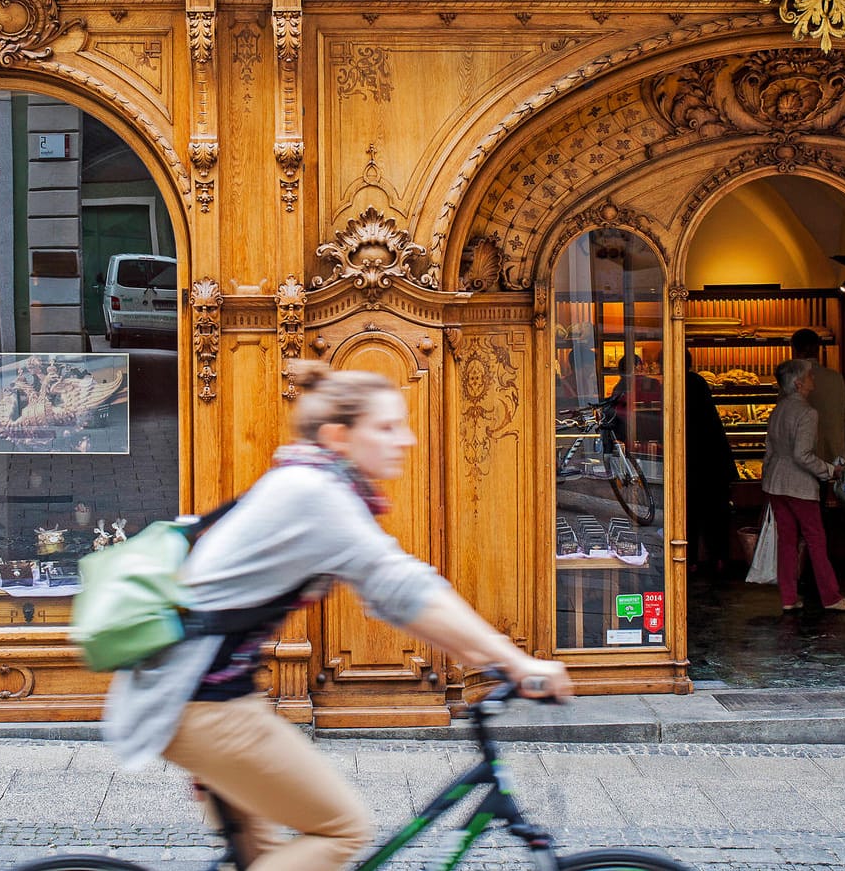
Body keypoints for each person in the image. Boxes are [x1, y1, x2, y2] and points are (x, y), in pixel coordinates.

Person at [102, 361, 572, 870]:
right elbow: (406, 588)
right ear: (338, 436)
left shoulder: (307, 480)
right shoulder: (316, 494)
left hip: (201, 690)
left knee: (264, 855)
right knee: (341, 831)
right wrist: (519, 663)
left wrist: (484, 654)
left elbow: (400, 602)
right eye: (388, 427)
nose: (407, 440)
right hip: (196, 701)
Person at [760, 358, 845, 614]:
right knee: (816, 540)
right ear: (798, 383)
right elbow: (802, 455)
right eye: (809, 377)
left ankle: (788, 597)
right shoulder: (807, 413)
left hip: (776, 482)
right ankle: (831, 596)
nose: (813, 380)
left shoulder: (778, 409)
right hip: (800, 486)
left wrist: (767, 477)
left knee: (787, 542)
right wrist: (830, 470)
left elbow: (769, 449)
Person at [684, 365, 737, 577]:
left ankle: (691, 561)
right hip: (715, 468)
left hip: (693, 469)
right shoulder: (700, 387)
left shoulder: (679, 388)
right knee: (716, 517)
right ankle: (720, 559)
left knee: (690, 517)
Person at [791, 328, 845, 463]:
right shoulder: (836, 378)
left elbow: (783, 423)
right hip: (834, 460)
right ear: (818, 349)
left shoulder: (791, 382)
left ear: (795, 351)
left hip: (804, 463)